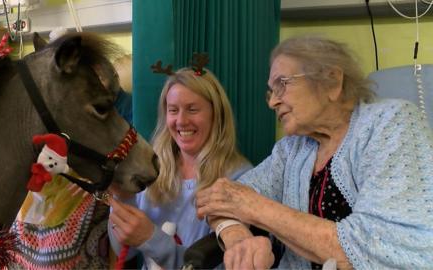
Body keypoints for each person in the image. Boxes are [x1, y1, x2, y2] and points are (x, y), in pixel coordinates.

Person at [195, 35, 433, 269]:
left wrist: (252, 207)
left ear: (332, 81)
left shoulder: (390, 122)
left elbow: (373, 247)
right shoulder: (292, 149)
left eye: (282, 84)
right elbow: (220, 200)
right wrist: (238, 238)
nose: (272, 102)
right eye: (270, 91)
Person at [107, 66, 253, 269]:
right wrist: (124, 199)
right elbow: (124, 249)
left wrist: (151, 238)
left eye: (192, 109)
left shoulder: (240, 177)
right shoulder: (150, 169)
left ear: (216, 115)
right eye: (173, 110)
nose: (181, 121)